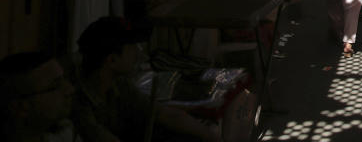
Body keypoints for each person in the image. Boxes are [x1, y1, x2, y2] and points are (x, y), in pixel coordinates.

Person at [72, 17, 219, 142]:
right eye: (131, 47)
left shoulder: (118, 84)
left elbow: (165, 114)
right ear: (112, 60)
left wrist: (212, 138)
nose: (137, 52)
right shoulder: (80, 101)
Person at [1, 51, 79, 141]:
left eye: (65, 79)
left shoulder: (64, 132)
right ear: (21, 106)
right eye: (56, 86)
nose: (70, 90)